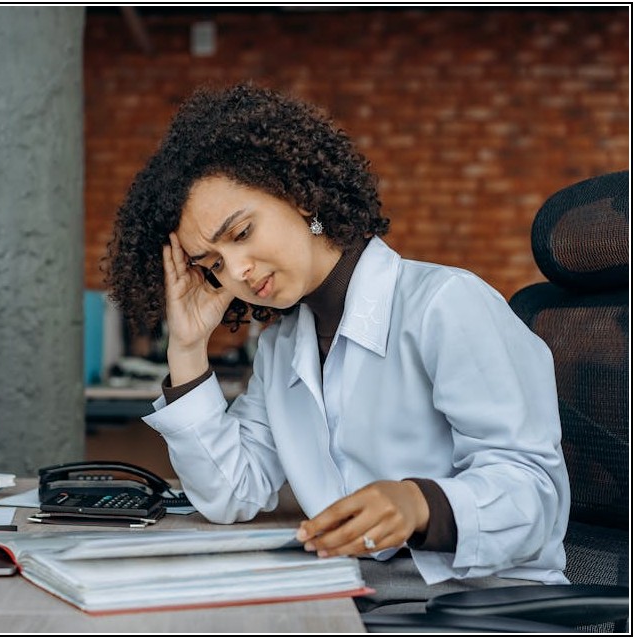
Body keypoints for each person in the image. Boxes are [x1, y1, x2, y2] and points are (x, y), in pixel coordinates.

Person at [104, 83, 570, 613]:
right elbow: (232, 494)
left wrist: (421, 504)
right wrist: (187, 349)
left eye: (241, 233)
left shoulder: (445, 304)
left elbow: (536, 493)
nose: (236, 271)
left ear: (299, 195)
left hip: (482, 602)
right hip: (356, 597)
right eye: (212, 264)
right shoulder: (283, 345)